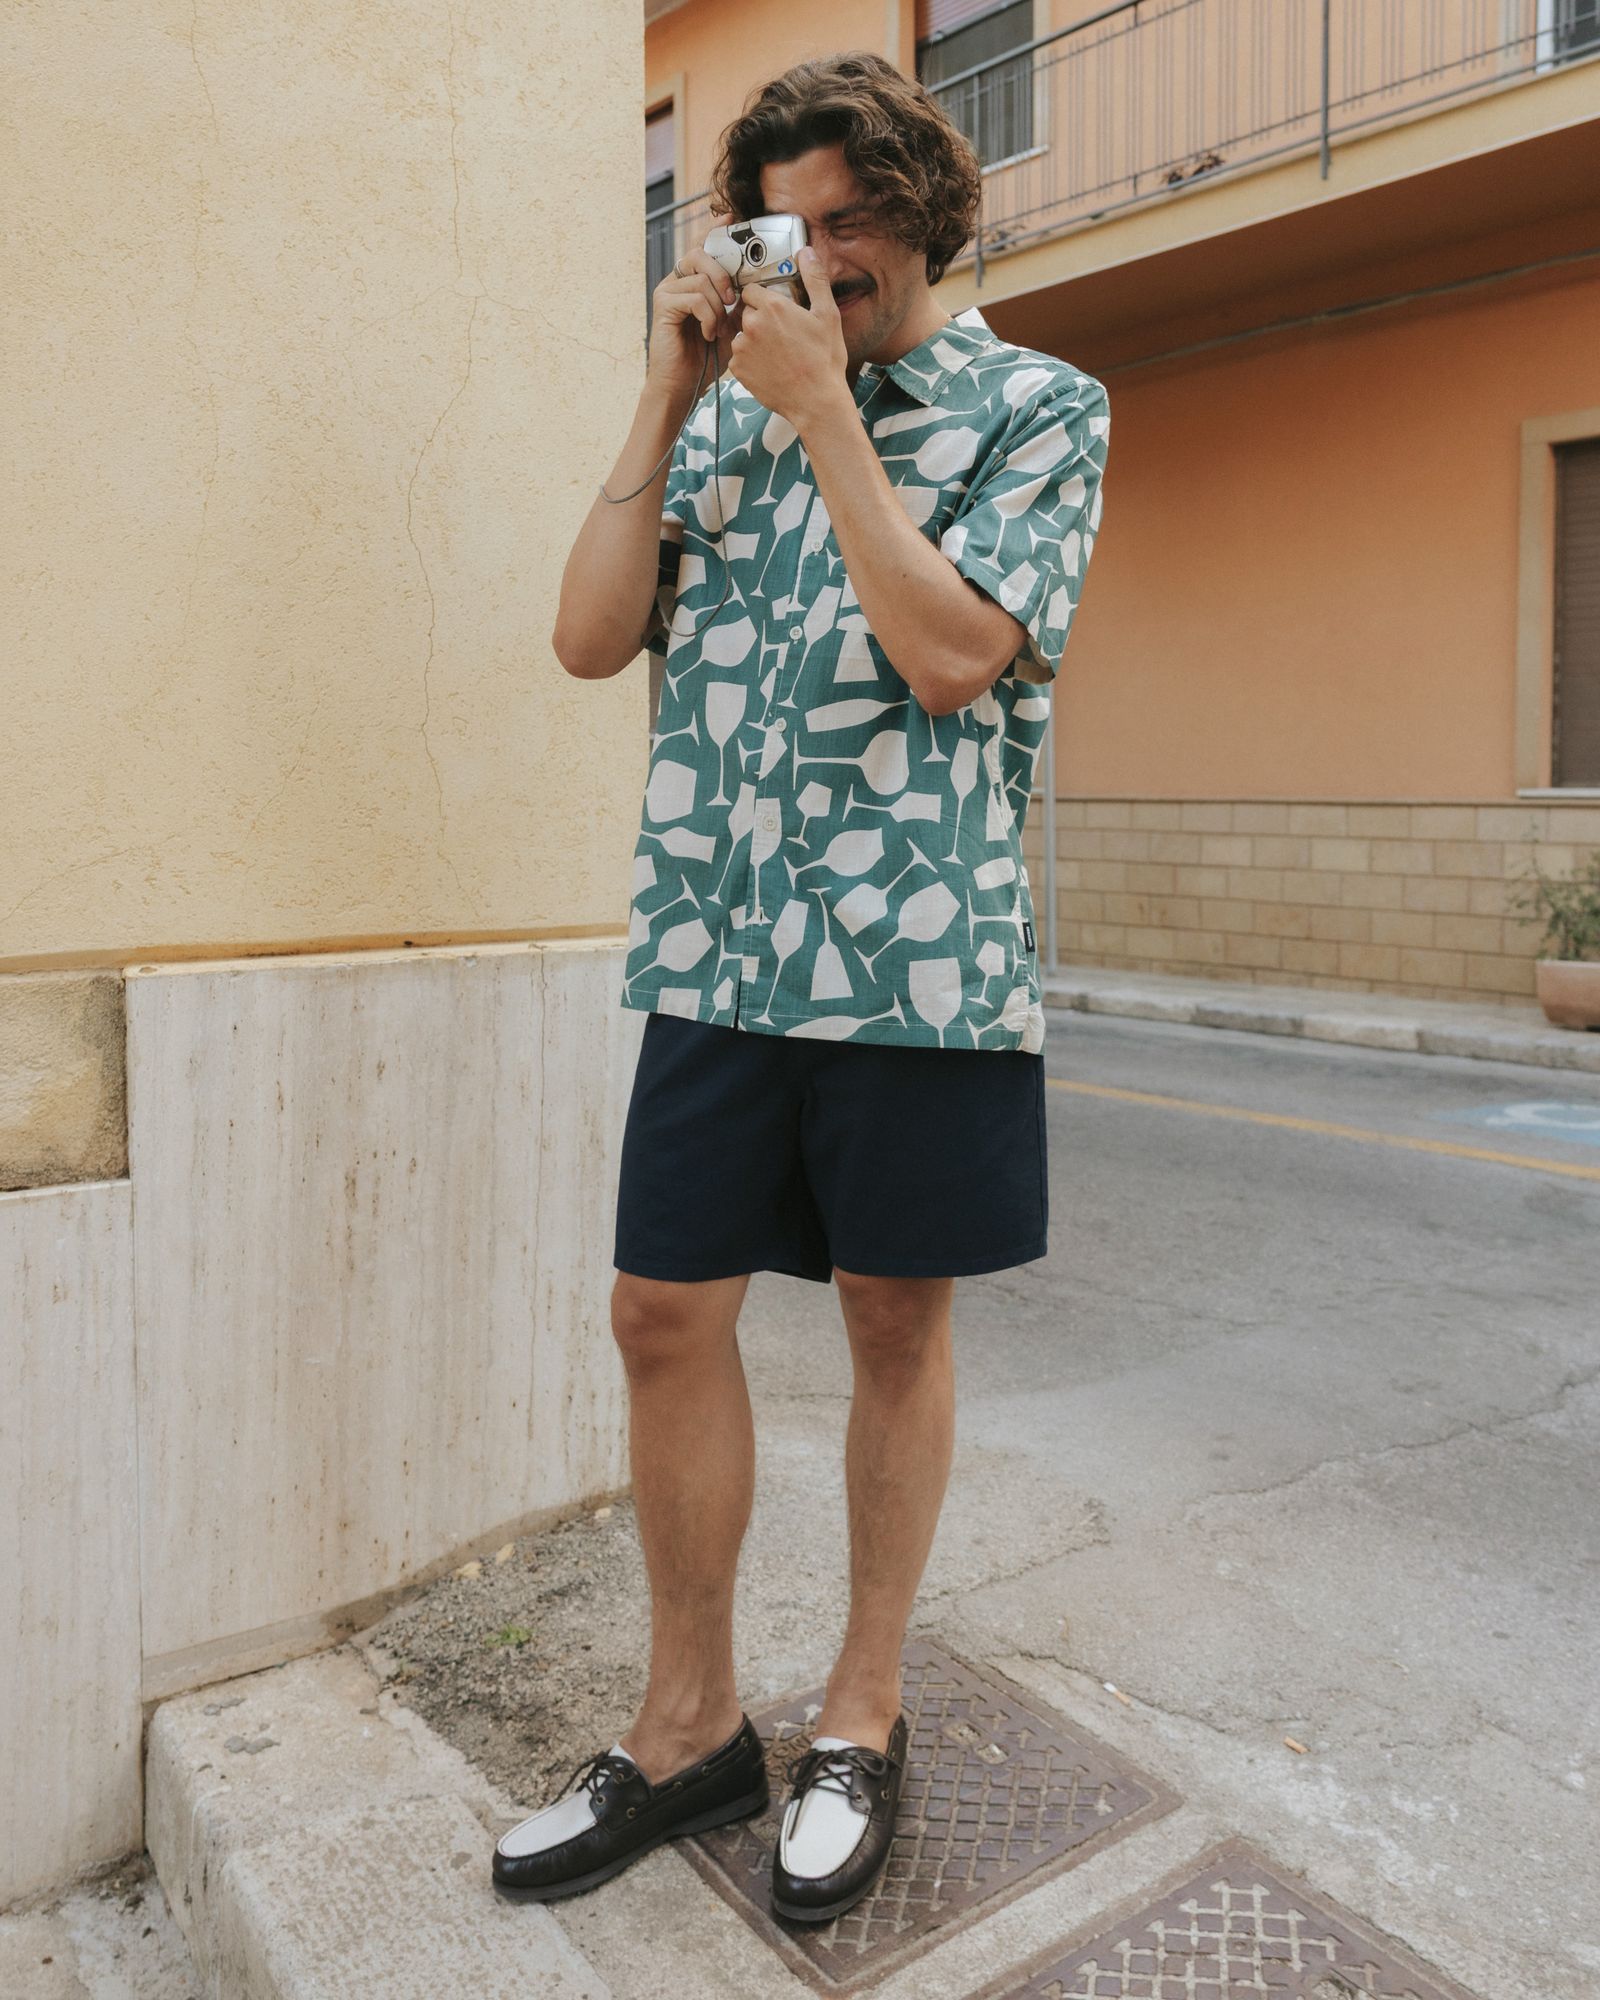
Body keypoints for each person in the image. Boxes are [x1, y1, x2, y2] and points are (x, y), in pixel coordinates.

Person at [492, 49, 1109, 1923]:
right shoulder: (721, 415)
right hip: (718, 941)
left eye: (853, 222)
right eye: (789, 227)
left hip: (914, 966)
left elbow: (950, 659)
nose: (821, 258)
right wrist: (672, 388)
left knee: (892, 1333)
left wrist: (831, 414)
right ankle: (690, 1729)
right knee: (659, 1318)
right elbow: (593, 639)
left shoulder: (1038, 406)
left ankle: (862, 1707)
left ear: (927, 210)